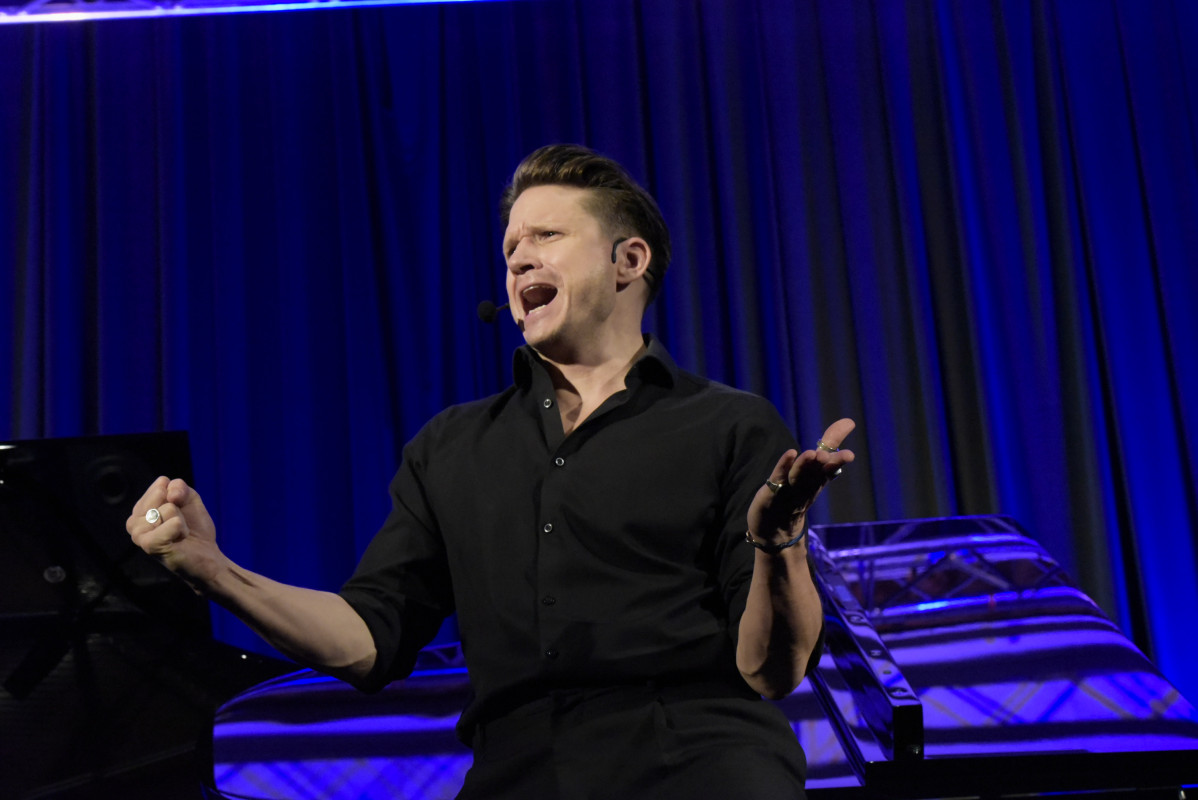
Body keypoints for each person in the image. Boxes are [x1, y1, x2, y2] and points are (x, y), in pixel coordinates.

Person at [127, 144, 855, 799]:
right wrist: (215, 571)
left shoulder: (729, 424)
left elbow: (771, 671)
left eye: (547, 236)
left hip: (698, 768)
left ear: (629, 261)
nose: (518, 259)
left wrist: (778, 543)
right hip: (517, 772)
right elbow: (369, 640)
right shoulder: (452, 447)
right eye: (511, 246)